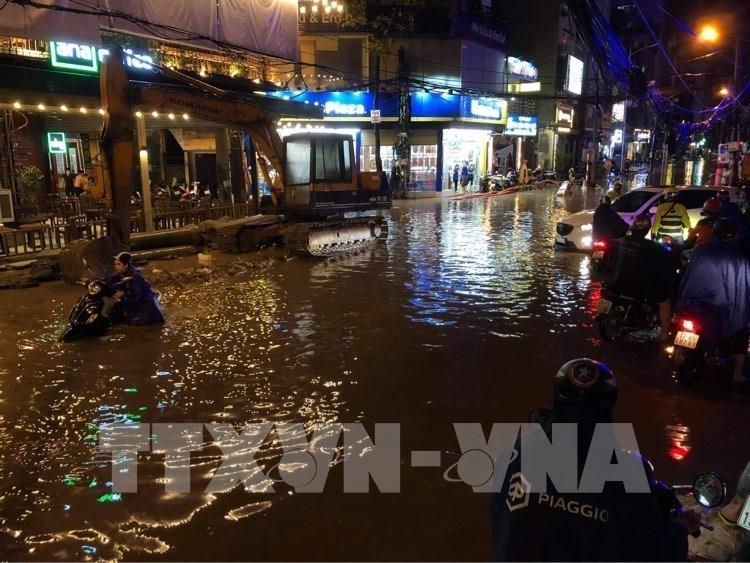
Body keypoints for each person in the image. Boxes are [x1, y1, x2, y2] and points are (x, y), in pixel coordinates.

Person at [492, 358, 700, 561]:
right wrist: (682, 528)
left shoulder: (517, 449)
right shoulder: (629, 473)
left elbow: (498, 516)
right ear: (609, 407)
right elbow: (655, 549)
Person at [678, 218, 750, 382]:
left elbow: (687, 276)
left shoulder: (701, 251)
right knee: (742, 332)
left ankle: (681, 354)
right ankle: (737, 374)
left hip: (693, 304)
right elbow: (743, 287)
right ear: (734, 235)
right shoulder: (739, 258)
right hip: (722, 310)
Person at [613, 214, 676, 340]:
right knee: (664, 302)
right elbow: (667, 260)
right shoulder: (650, 246)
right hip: (639, 286)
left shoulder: (623, 241)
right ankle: (664, 334)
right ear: (648, 229)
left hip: (619, 282)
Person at [106, 252, 164, 326]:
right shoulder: (122, 273)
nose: (116, 266)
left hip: (145, 305)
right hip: (134, 303)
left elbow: (135, 295)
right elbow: (110, 280)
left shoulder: (135, 276)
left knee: (132, 323)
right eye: (115, 264)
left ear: (126, 265)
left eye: (118, 264)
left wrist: (123, 294)